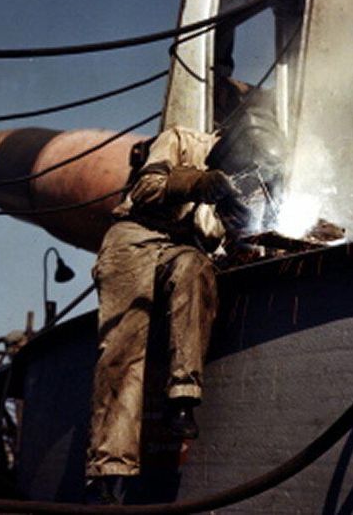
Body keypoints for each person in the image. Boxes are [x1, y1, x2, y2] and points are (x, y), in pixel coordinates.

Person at [85, 126, 250, 502]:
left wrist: (239, 225)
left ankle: (183, 397)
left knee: (195, 267)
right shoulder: (180, 139)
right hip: (135, 240)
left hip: (180, 247)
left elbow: (217, 243)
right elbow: (146, 189)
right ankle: (109, 472)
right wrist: (199, 183)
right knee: (122, 351)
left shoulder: (241, 184)